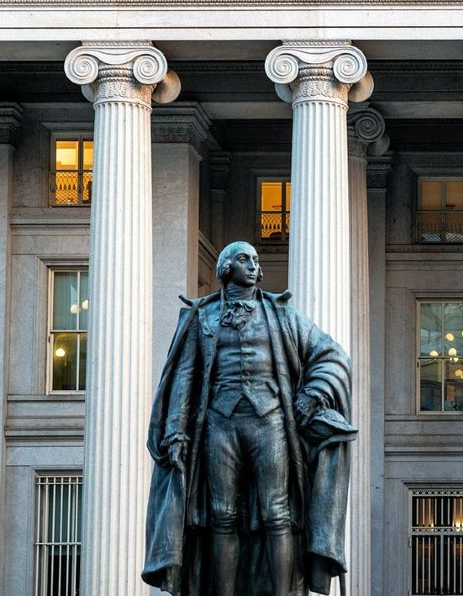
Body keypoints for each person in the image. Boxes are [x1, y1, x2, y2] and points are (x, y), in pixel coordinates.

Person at [143, 241, 355, 595]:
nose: (255, 266)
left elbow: (333, 355)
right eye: (246, 259)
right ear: (226, 268)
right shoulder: (203, 317)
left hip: (270, 422)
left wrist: (311, 395)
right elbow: (185, 377)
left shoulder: (283, 315)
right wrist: (176, 432)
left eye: (256, 260)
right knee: (222, 515)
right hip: (219, 424)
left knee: (278, 513)